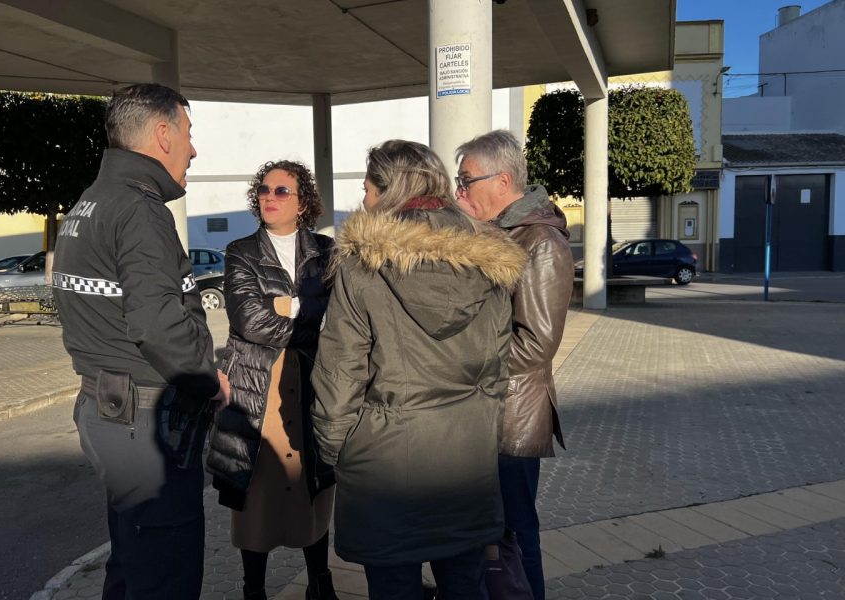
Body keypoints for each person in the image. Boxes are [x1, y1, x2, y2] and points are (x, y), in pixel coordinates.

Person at [311, 140, 527, 600]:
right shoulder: (490, 260)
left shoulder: (362, 264)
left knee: (393, 588)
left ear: (389, 190)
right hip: (465, 459)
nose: (363, 198)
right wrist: (481, 434)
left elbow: (339, 375)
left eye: (368, 188)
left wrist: (334, 449)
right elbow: (497, 370)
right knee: (466, 585)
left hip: (384, 465)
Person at [52, 83, 230, 600]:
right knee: (165, 575)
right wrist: (208, 381)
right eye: (188, 134)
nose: (192, 150)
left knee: (133, 566)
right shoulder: (140, 210)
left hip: (110, 410)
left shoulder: (92, 201)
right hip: (147, 424)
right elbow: (156, 324)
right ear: (162, 134)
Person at [206, 160, 338, 600]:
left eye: (282, 191)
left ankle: (320, 582)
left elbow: (338, 312)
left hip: (311, 386)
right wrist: (307, 318)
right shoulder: (241, 251)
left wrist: (285, 307)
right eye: (264, 189)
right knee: (257, 495)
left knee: (312, 485)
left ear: (303, 203)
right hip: (257, 389)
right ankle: (254, 590)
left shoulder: (325, 251)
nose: (269, 197)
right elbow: (249, 320)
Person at [454, 129, 573, 600]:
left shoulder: (541, 242)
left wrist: (462, 369)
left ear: (502, 181)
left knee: (516, 537)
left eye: (466, 180)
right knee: (491, 537)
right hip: (486, 408)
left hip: (512, 416)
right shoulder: (499, 232)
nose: (460, 190)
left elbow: (536, 344)